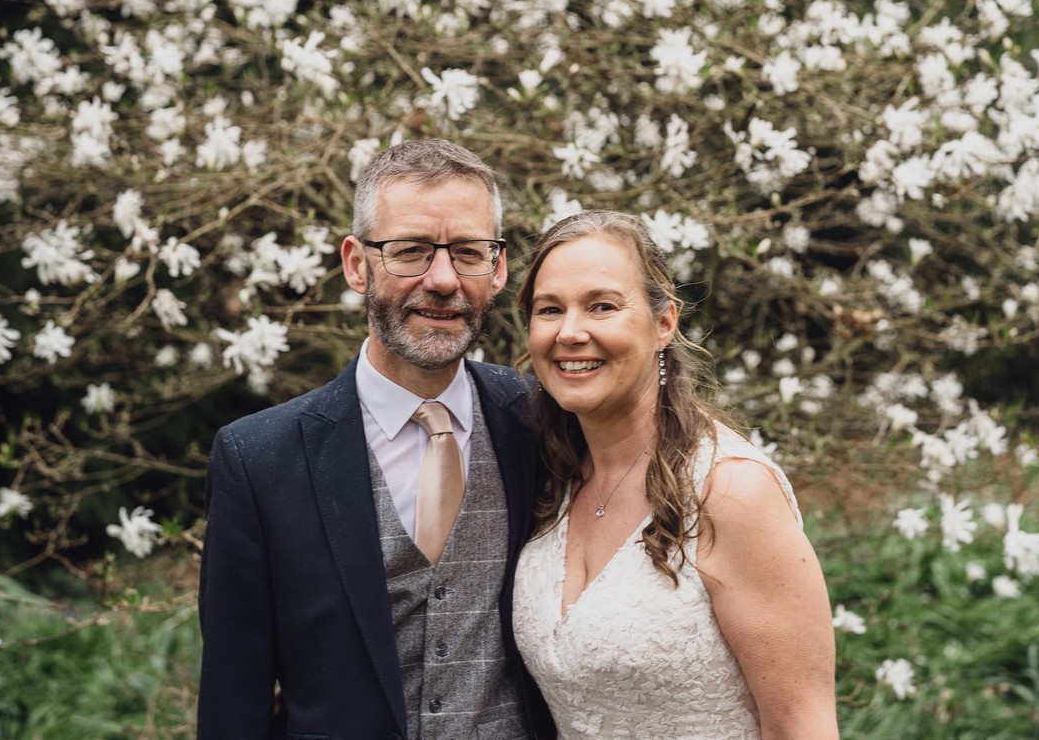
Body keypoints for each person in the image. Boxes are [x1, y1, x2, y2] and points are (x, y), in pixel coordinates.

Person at [197, 139, 555, 740]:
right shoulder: (257, 460)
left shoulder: (544, 422)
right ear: (357, 264)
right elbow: (234, 702)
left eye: (468, 252)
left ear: (497, 269)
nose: (442, 280)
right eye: (410, 251)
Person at [510, 211, 838, 740]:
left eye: (602, 306)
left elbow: (802, 726)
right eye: (550, 309)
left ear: (664, 323)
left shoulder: (731, 490)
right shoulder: (549, 478)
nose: (570, 332)